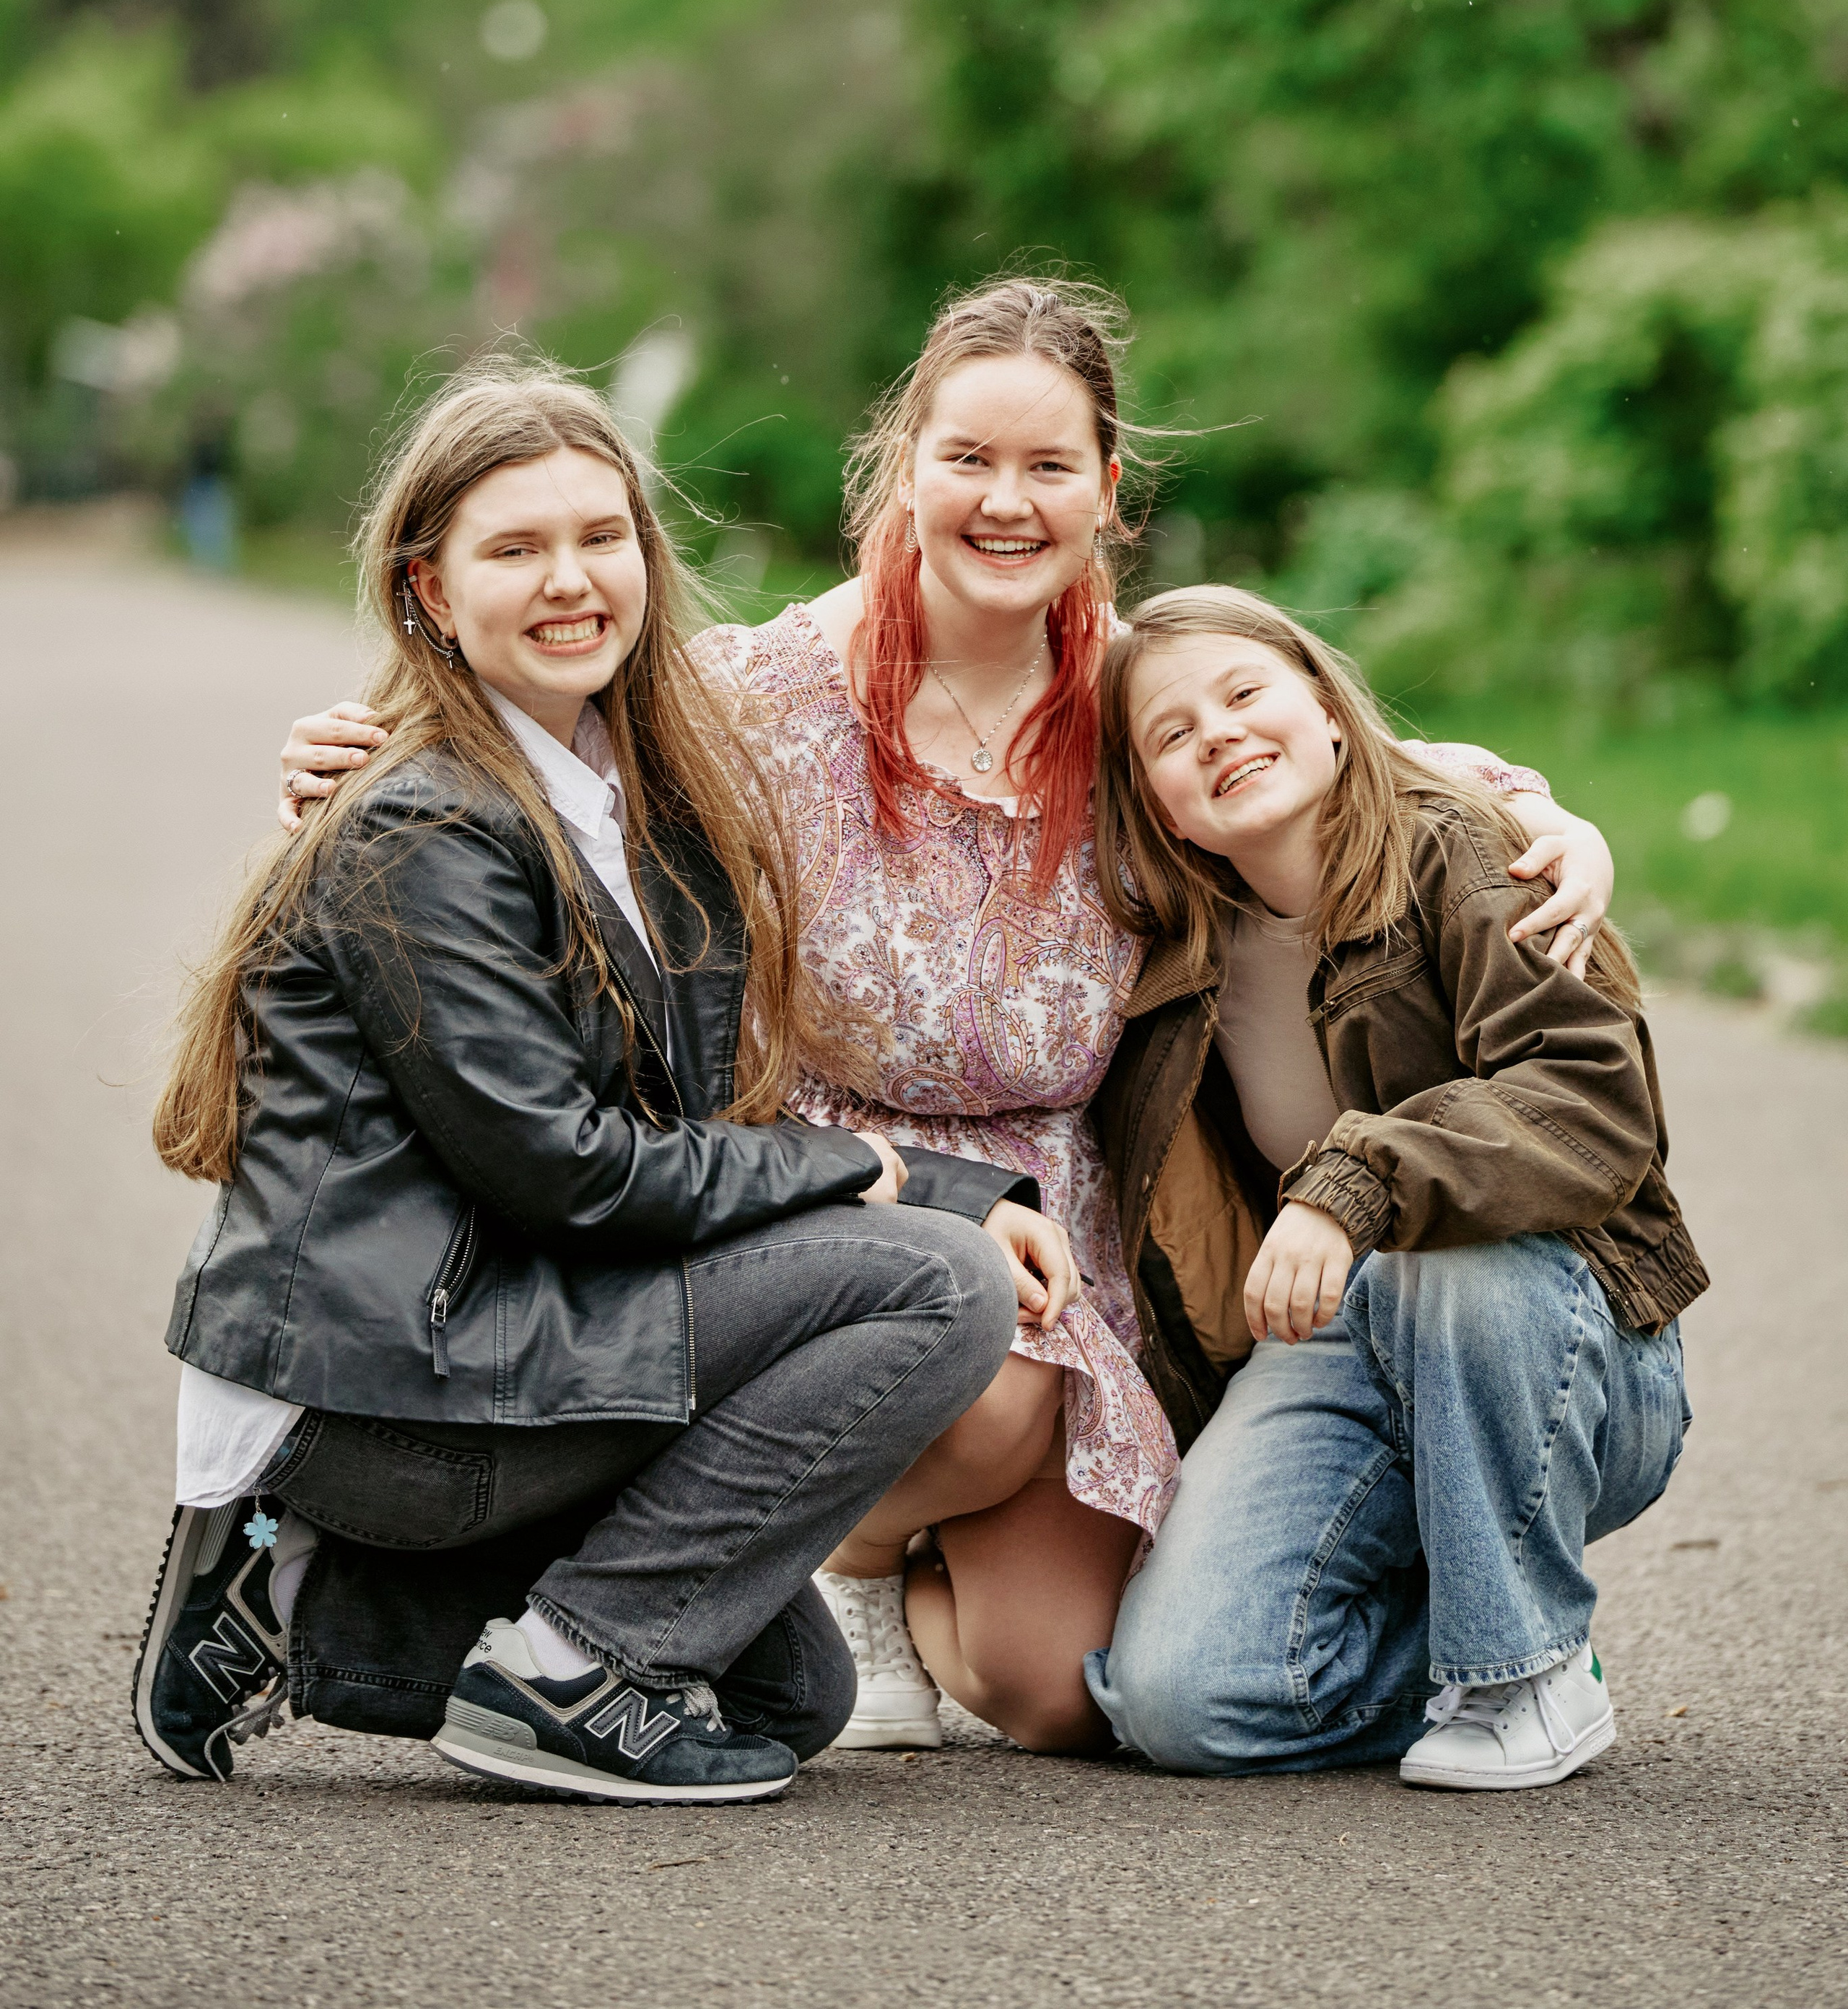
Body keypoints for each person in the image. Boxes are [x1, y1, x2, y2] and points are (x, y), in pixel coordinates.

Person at [274, 282, 1623, 1756]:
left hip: (1070, 1217)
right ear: (899, 462)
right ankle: (812, 1567)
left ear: (1106, 492)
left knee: (1061, 1690)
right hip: (823, 1198)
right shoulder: (749, 698)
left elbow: (1322, 750)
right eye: (967, 458)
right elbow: (535, 735)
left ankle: (879, 1580)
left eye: (1049, 468)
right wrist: (362, 748)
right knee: (979, 1394)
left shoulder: (1131, 712)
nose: (1004, 500)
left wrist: (1538, 814)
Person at [135, 359, 1032, 1805]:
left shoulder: (628, 794)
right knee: (939, 1284)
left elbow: (660, 1146)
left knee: (789, 1695)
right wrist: (891, 1177)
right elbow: (567, 1170)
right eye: (514, 549)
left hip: (503, 1324)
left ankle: (291, 1601)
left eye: (598, 537)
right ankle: (563, 1669)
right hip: (398, 1381)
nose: (569, 580)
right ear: (426, 590)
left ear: (644, 558)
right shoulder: (425, 821)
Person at [1084, 585, 1707, 1788]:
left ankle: (1522, 1671)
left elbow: (1591, 1098)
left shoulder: (1462, 850)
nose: (1214, 731)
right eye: (1170, 733)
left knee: (1447, 1261)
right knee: (1185, 1699)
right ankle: (1481, 1623)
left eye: (1245, 692)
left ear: (1324, 705)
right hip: (1348, 1340)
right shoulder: (1183, 941)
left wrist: (1357, 1178)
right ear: (1150, 796)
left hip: (1566, 1338)